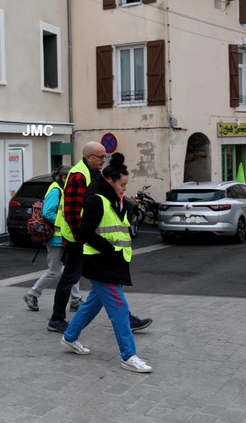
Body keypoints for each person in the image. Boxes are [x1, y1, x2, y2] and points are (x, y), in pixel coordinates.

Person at [60, 153, 153, 373]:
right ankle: (129, 356)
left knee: (93, 302)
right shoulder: (96, 199)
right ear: (110, 181)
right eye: (122, 185)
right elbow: (85, 232)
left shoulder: (111, 197)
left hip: (111, 261)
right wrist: (110, 250)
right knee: (120, 309)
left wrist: (127, 207)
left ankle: (70, 337)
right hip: (101, 262)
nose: (124, 189)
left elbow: (113, 225)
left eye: (126, 185)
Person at [47, 142, 152, 334]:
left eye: (105, 156)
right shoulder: (79, 175)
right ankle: (57, 319)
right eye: (100, 157)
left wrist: (126, 202)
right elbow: (71, 211)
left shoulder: (91, 172)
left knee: (99, 281)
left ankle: (61, 321)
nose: (104, 160)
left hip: (86, 237)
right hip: (80, 238)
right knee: (75, 277)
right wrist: (82, 238)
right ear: (89, 157)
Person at [23, 165, 82, 312]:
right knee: (55, 270)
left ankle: (75, 300)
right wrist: (67, 224)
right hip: (56, 238)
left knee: (72, 269)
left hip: (63, 237)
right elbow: (48, 212)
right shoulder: (56, 190)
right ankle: (32, 294)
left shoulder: (61, 189)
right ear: (64, 178)